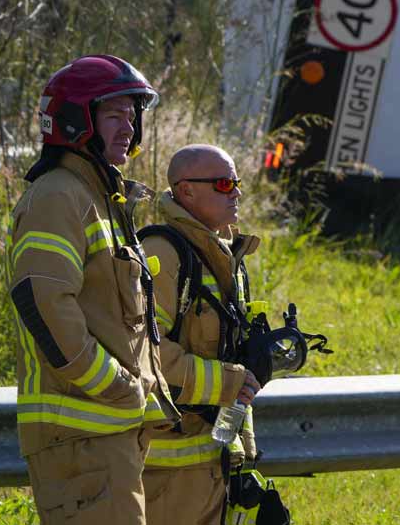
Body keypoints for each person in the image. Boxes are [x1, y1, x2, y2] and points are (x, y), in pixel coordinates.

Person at [7, 54, 180, 524]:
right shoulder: (58, 196)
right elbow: (42, 304)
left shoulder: (99, 199)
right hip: (82, 440)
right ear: (74, 121)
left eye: (132, 115)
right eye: (112, 115)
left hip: (106, 438)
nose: (128, 127)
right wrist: (116, 387)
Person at [139, 144, 263, 525]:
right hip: (167, 473)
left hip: (217, 462)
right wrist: (232, 382)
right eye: (225, 184)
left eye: (237, 183)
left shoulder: (225, 256)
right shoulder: (162, 254)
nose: (236, 193)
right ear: (186, 190)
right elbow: (145, 355)